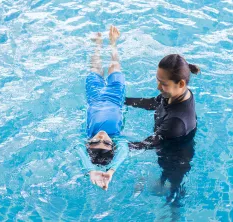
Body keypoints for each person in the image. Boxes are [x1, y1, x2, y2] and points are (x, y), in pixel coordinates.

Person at [125, 54, 200, 201]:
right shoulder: (174, 94)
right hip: (168, 143)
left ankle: (174, 209)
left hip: (175, 160)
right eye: (158, 81)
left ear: (181, 84)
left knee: (174, 189)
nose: (158, 87)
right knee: (162, 182)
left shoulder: (176, 122)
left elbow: (146, 144)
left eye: (163, 83)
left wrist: (113, 147)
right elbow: (153, 103)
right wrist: (122, 100)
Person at [77, 26, 128, 191]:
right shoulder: (117, 138)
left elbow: (80, 151)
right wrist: (112, 170)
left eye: (96, 141)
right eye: (106, 142)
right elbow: (123, 152)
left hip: (94, 97)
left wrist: (91, 169)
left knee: (96, 69)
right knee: (114, 65)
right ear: (112, 145)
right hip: (115, 97)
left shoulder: (86, 136)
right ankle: (113, 43)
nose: (101, 136)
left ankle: (98, 45)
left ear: (89, 143)